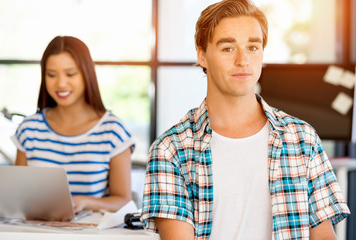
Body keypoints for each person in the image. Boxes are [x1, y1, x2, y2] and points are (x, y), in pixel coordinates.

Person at [140, 0, 350, 239]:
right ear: (203, 56)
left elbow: (323, 234)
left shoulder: (302, 138)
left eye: (252, 47)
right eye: (228, 48)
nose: (243, 60)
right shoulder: (171, 150)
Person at [12, 36, 135, 214]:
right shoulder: (29, 129)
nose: (61, 83)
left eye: (70, 74)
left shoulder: (112, 131)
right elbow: (16, 195)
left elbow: (123, 201)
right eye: (51, 75)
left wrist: (84, 202)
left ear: (87, 74)